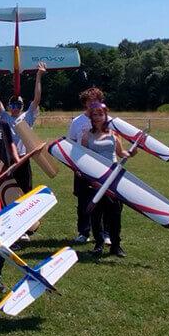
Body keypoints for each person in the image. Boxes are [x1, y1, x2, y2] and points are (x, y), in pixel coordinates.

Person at [81, 102, 136, 257]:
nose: (98, 117)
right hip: (95, 179)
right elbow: (82, 157)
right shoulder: (86, 135)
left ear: (105, 116)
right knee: (96, 214)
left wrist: (131, 152)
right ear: (91, 117)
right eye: (95, 114)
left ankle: (116, 245)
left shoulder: (114, 134)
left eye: (101, 114)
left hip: (113, 179)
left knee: (115, 213)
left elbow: (121, 153)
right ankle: (98, 244)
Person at [0, 61, 45, 193]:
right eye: (13, 105)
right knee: (8, 191)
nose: (15, 108)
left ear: (22, 106)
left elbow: (37, 98)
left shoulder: (28, 116)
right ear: (8, 106)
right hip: (7, 159)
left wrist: (39, 75)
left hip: (24, 158)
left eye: (18, 105)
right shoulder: (3, 116)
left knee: (26, 191)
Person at [67, 86, 106, 245]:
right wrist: (75, 167)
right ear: (85, 103)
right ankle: (83, 232)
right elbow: (70, 144)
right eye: (90, 101)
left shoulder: (106, 120)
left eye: (96, 101)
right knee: (83, 202)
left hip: (102, 168)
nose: (93, 104)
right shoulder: (76, 122)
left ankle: (105, 233)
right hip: (81, 167)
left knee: (104, 201)